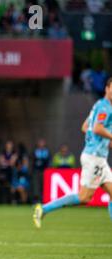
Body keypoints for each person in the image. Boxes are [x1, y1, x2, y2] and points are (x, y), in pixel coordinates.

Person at [34, 77, 112, 228]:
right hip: (94, 158)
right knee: (84, 198)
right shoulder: (106, 108)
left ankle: (43, 209)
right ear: (107, 89)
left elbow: (85, 127)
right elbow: (96, 128)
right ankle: (43, 209)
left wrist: (102, 142)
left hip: (97, 157)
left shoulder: (98, 105)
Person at [31, 139, 51, 203]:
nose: (41, 144)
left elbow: (48, 161)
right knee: (36, 185)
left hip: (44, 171)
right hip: (36, 171)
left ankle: (43, 199)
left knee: (44, 185)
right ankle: (36, 199)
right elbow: (32, 160)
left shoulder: (47, 152)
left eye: (42, 143)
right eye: (40, 143)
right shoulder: (35, 151)